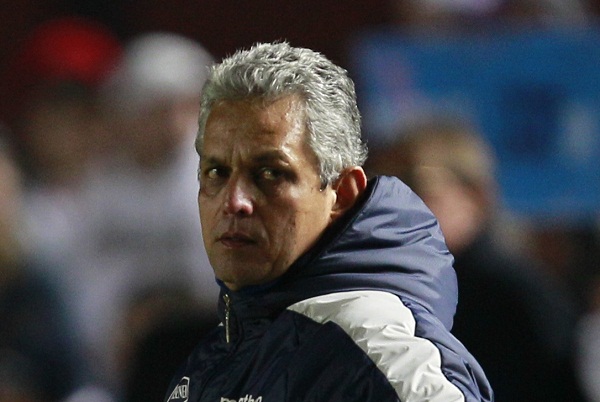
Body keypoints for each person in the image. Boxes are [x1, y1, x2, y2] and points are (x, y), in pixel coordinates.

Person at [164, 41, 492, 402]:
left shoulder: (384, 358)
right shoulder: (215, 356)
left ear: (343, 193)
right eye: (216, 172)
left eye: (270, 173)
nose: (234, 202)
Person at [366, 117, 586, 401]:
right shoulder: (382, 291)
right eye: (382, 184)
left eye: (414, 182)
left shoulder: (516, 299)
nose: (394, 202)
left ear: (476, 194)